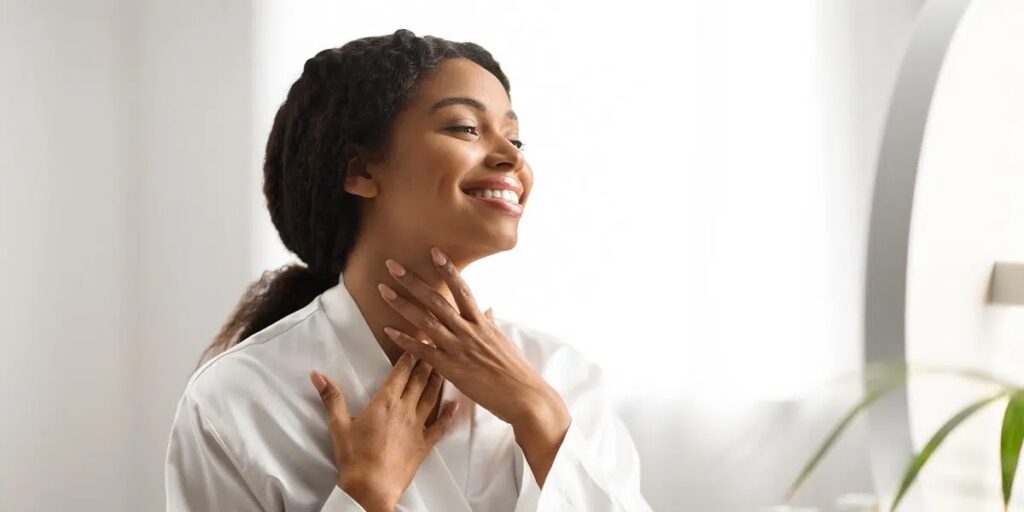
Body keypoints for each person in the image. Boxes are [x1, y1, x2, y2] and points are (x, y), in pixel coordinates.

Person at [164, 28, 653, 511]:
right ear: (359, 170)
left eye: (516, 139)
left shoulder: (561, 376)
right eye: (466, 127)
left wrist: (539, 417)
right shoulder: (238, 399)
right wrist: (364, 494)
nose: (511, 159)